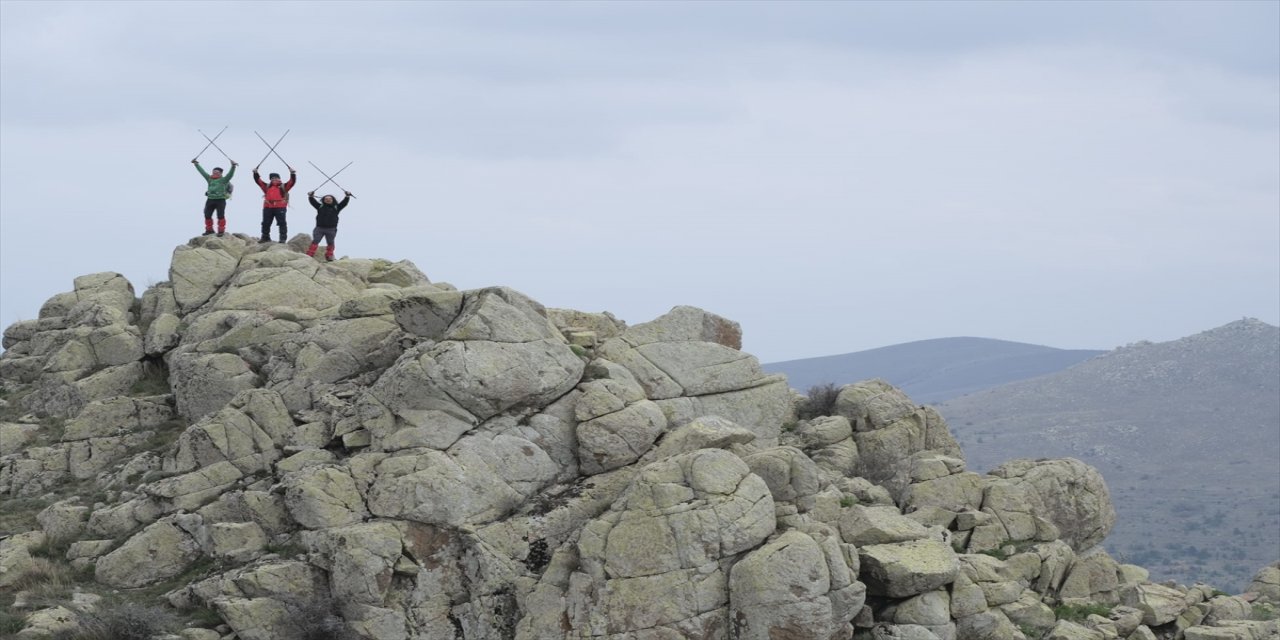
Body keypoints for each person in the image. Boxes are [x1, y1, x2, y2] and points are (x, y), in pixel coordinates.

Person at [192, 159, 237, 236]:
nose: (214, 173)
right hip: (210, 200)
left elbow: (230, 174)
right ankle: (209, 230)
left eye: (217, 172)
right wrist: (196, 164)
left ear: (221, 173)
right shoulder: (209, 179)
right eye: (213, 172)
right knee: (207, 215)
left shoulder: (224, 180)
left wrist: (233, 166)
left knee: (220, 215)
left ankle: (221, 231)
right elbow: (202, 172)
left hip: (220, 200)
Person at [253, 167, 297, 243]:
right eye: (272, 178)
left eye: (276, 177)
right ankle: (265, 237)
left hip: (280, 207)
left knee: (282, 223)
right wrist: (255, 173)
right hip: (267, 207)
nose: (274, 179)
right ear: (270, 179)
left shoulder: (283, 186)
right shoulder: (267, 186)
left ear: (279, 178)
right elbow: (258, 181)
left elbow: (291, 182)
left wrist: (292, 173)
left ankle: (282, 239)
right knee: (265, 223)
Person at [306, 191, 352, 261]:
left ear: (333, 200)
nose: (328, 200)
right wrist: (310, 196)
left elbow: (344, 203)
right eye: (326, 199)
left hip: (331, 229)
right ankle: (310, 254)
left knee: (330, 242)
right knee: (316, 240)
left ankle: (329, 256)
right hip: (319, 228)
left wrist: (347, 196)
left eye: (330, 199)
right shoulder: (320, 207)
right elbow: (313, 202)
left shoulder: (337, 207)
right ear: (323, 200)